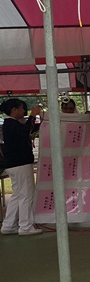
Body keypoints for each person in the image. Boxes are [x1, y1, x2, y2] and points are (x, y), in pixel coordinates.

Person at [0, 99, 43, 236]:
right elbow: (25, 131)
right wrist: (33, 115)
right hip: (20, 163)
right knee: (26, 194)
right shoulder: (11, 124)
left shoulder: (11, 124)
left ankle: (8, 225)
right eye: (21, 108)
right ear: (14, 110)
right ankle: (26, 226)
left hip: (14, 164)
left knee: (18, 194)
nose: (23, 111)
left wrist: (40, 121)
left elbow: (29, 129)